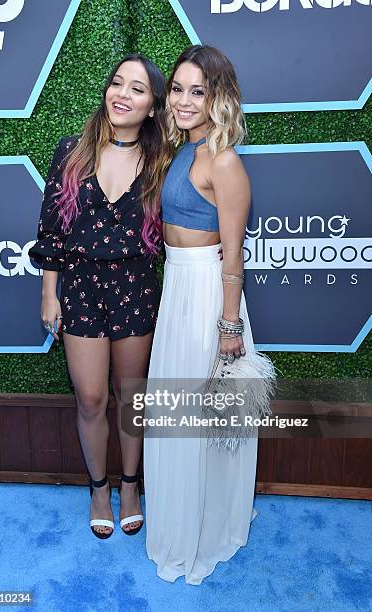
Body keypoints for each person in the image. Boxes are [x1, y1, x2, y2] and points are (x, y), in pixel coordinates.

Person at [143, 45, 276, 584]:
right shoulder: (182, 151)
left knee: (205, 418)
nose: (183, 100)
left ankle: (209, 527)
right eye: (177, 89)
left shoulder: (223, 160)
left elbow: (233, 254)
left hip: (207, 298)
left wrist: (229, 327)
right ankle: (181, 519)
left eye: (198, 91)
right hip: (177, 288)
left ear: (219, 98)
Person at [29, 54, 172, 539]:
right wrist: (50, 294)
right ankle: (98, 488)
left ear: (153, 107)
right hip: (82, 287)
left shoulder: (162, 161)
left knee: (130, 396)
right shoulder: (71, 152)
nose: (122, 95)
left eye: (137, 89)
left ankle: (130, 486)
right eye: (117, 83)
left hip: (136, 287)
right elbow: (51, 230)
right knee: (90, 398)